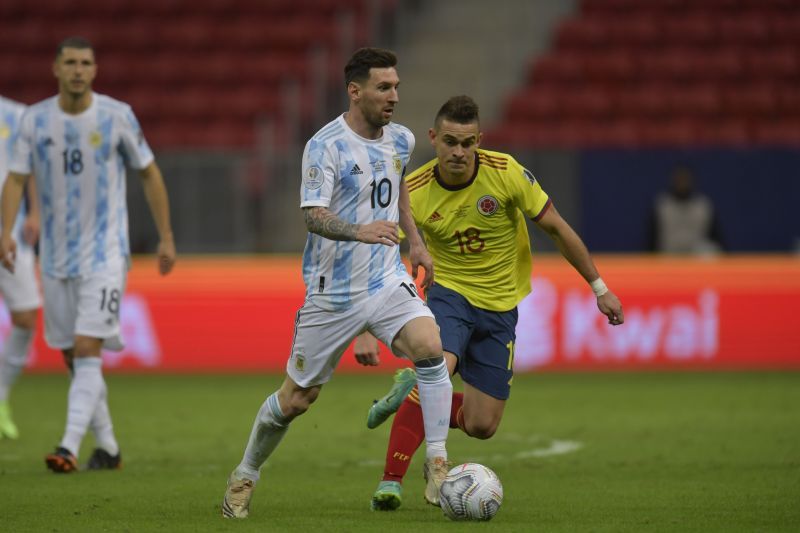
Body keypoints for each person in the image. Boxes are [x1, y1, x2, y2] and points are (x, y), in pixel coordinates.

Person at [355, 95, 625, 511]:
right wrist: (368, 329)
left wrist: (599, 286)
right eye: (449, 142)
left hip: (501, 308)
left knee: (482, 425)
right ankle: (391, 480)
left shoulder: (507, 173)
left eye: (467, 143)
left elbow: (556, 228)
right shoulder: (415, 191)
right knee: (436, 369)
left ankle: (412, 388)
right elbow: (376, 259)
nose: (458, 152)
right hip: (449, 296)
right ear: (434, 138)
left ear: (479, 140)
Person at [221, 47, 453, 519]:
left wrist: (416, 243)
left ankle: (438, 463)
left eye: (397, 87)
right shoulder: (325, 145)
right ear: (355, 90)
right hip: (332, 293)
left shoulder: (402, 139)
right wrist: (359, 230)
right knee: (297, 399)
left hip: (387, 279)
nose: (393, 96)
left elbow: (399, 185)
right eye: (384, 87)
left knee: (430, 346)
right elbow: (312, 216)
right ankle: (244, 475)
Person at [0, 36, 176, 472]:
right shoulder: (35, 121)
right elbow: (17, 179)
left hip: (105, 253)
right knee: (70, 354)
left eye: (85, 63)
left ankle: (67, 445)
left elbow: (149, 172)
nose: (78, 70)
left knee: (85, 346)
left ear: (94, 70)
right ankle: (110, 448)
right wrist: (6, 231)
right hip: (55, 257)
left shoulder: (117, 116)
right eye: (71, 63)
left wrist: (166, 235)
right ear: (56, 69)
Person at [0, 96, 42, 440]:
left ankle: (1, 399)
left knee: (26, 317)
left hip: (10, 233)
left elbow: (32, 167)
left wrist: (35, 212)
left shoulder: (17, 115)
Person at [647, 165, 724, 254]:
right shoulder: (662, 205)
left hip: (696, 257)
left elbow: (716, 239)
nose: (682, 183)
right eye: (679, 179)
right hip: (669, 257)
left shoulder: (703, 206)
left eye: (685, 179)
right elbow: (651, 240)